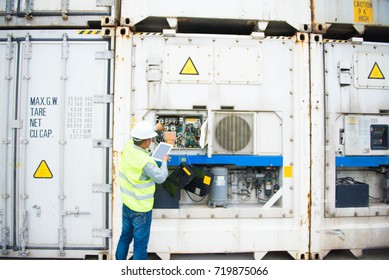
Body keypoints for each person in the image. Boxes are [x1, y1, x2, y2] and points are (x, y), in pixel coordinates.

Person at [116, 120, 170, 260]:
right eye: (150, 139)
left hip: (127, 205)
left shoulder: (129, 146)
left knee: (124, 238)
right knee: (140, 246)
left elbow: (138, 136)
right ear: (146, 142)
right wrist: (164, 161)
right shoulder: (146, 162)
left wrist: (155, 128)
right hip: (141, 210)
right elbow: (160, 177)